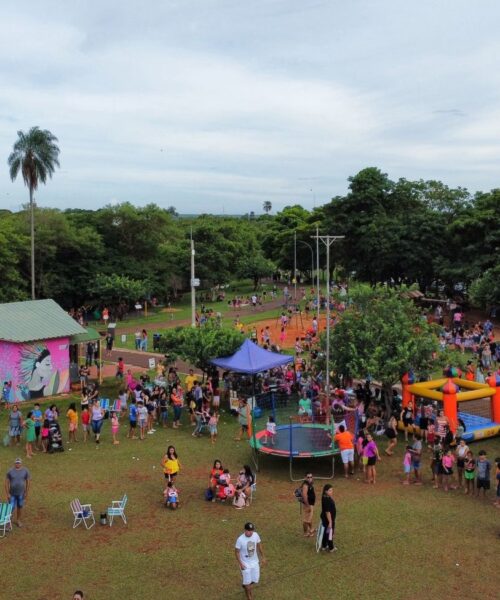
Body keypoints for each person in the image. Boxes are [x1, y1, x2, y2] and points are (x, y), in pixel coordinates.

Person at [235, 522, 265, 600]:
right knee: (248, 583)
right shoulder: (240, 539)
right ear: (245, 530)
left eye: (251, 530)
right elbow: (237, 552)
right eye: (248, 530)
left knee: (255, 579)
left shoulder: (256, 535)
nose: (250, 532)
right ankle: (249, 597)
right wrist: (240, 563)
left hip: (255, 562)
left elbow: (259, 545)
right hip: (245, 564)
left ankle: (245, 585)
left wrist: (263, 557)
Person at [5, 457, 30, 527]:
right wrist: (7, 494)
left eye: (19, 463)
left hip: (21, 494)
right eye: (16, 463)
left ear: (21, 463)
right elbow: (6, 483)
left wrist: (26, 492)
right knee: (11, 508)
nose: (18, 464)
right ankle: (8, 522)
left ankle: (18, 520)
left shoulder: (25, 471)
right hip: (12, 494)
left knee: (20, 507)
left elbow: (28, 482)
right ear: (14, 463)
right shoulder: (10, 471)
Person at [319, 484, 337, 552]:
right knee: (330, 533)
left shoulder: (325, 497)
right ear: (326, 491)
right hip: (328, 520)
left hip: (326, 519)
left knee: (326, 532)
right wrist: (330, 522)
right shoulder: (327, 499)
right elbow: (327, 512)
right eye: (330, 490)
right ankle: (331, 547)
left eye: (332, 490)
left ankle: (324, 545)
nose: (331, 491)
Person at [300, 473, 316, 537]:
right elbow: (304, 495)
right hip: (308, 504)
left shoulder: (310, 484)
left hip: (311, 504)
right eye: (308, 477)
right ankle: (306, 532)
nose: (310, 478)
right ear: (305, 478)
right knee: (307, 520)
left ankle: (311, 530)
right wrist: (308, 505)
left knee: (309, 519)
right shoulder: (305, 485)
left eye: (311, 477)